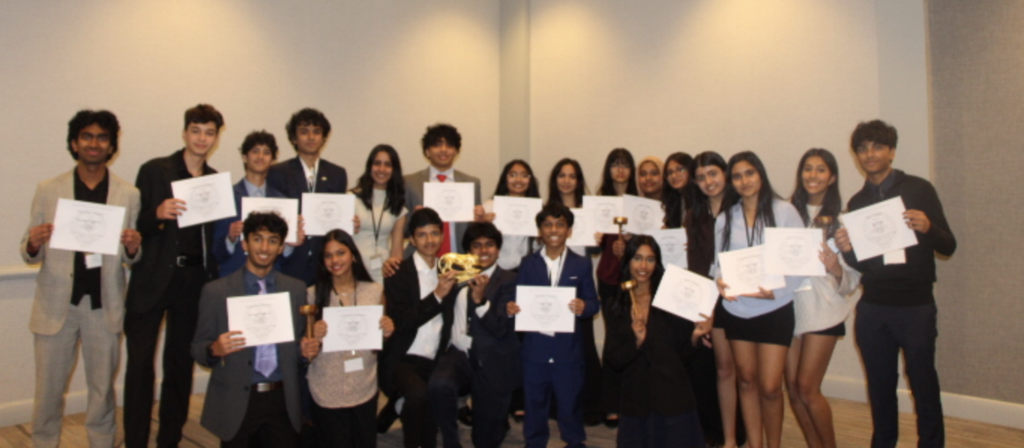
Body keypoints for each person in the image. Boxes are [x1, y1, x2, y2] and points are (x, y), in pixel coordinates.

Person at [21, 110, 142, 448]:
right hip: (56, 306)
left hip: (105, 307)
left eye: (102, 137)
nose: (94, 143)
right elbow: (28, 250)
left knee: (102, 393)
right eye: (86, 136)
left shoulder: (127, 194)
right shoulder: (49, 190)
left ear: (111, 145)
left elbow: (131, 258)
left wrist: (134, 248)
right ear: (74, 143)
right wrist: (33, 242)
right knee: (48, 393)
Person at [834, 120, 956, 448]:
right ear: (856, 154)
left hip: (916, 307)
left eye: (877, 146)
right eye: (862, 148)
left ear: (891, 151)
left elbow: (949, 246)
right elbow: (865, 266)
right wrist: (848, 252)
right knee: (880, 387)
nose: (869, 154)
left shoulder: (918, 189)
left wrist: (929, 227)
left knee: (923, 385)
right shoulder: (857, 204)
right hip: (873, 309)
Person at [124, 104, 223, 448]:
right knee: (139, 368)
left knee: (180, 367)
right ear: (184, 133)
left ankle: (169, 439)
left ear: (216, 138)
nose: (202, 138)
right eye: (196, 130)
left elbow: (215, 238)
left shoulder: (214, 181)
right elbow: (134, 228)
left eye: (209, 132)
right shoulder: (154, 170)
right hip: (152, 280)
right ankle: (136, 440)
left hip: (192, 282)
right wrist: (157, 213)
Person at [191, 212, 321, 447]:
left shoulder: (295, 290)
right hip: (238, 398)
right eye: (257, 238)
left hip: (281, 398)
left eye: (272, 241)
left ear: (281, 247)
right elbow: (198, 348)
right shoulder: (216, 291)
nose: (264, 247)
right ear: (244, 243)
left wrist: (307, 348)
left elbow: (300, 345)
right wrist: (214, 349)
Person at [714, 151, 804, 448]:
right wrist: (719, 281)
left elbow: (799, 262)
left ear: (761, 175)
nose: (744, 181)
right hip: (737, 308)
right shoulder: (726, 218)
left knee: (769, 387)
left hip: (775, 307)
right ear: (732, 183)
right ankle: (755, 444)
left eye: (749, 173)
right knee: (746, 381)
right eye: (737, 176)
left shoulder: (785, 212)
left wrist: (776, 292)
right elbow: (717, 264)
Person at [785, 148, 861, 448]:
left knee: (807, 387)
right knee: (792, 388)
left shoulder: (843, 222)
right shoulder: (786, 215)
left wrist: (835, 268)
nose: (812, 175)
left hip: (824, 312)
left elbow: (852, 280)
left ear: (832, 177)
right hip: (789, 309)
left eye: (820, 170)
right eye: (807, 168)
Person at [603, 236, 711, 448]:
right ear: (627, 262)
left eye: (650, 260)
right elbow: (614, 359)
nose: (643, 266)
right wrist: (637, 341)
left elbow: (683, 356)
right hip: (636, 401)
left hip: (672, 398)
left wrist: (695, 336)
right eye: (637, 258)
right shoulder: (615, 304)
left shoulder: (671, 300)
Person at [507, 203, 600, 448]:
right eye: (547, 224)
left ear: (569, 230)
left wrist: (584, 307)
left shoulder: (581, 264)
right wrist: (512, 308)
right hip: (535, 350)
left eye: (560, 224)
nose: (554, 229)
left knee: (570, 402)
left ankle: (574, 441)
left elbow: (593, 302)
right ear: (539, 230)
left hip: (567, 350)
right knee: (534, 402)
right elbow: (519, 300)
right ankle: (535, 442)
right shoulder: (527, 263)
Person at [428, 222, 521, 448]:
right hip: (460, 354)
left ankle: (497, 422)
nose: (483, 251)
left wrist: (481, 301)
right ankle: (451, 442)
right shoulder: (456, 276)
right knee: (439, 385)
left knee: (485, 440)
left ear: (498, 249)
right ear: (468, 251)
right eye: (476, 246)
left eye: (489, 245)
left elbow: (500, 328)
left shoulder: (509, 280)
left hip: (492, 358)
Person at [379, 208, 461, 448]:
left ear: (442, 236)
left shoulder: (449, 272)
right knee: (419, 396)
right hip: (402, 357)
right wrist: (437, 295)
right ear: (412, 239)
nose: (429, 240)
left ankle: (400, 409)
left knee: (430, 408)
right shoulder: (397, 272)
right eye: (422, 235)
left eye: (435, 233)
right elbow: (403, 322)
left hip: (435, 358)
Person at [306, 229, 395, 448]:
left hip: (364, 386)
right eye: (328, 255)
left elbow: (379, 343)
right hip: (326, 388)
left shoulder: (374, 291)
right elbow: (306, 351)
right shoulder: (312, 294)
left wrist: (387, 331)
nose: (335, 260)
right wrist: (313, 337)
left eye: (340, 253)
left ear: (353, 255)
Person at [685, 151, 746, 448]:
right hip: (710, 299)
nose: (707, 182)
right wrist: (704, 310)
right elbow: (696, 266)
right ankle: (719, 433)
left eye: (712, 174)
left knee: (744, 371)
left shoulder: (744, 209)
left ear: (725, 174)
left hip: (743, 297)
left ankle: (744, 432)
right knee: (717, 369)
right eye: (700, 177)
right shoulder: (694, 216)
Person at [268, 108, 349, 285]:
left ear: (324, 138)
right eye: (304, 132)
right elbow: (273, 220)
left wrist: (349, 221)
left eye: (316, 132)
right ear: (294, 138)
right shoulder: (278, 172)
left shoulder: (337, 174)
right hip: (289, 260)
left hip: (327, 262)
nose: (311, 137)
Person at [213, 130, 305, 277]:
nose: (261, 157)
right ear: (244, 157)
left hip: (271, 280)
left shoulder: (283, 202)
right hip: (233, 277)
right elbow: (216, 252)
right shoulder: (226, 197)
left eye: (266, 152)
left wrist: (290, 242)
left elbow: (285, 258)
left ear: (273, 159)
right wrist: (230, 238)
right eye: (255, 151)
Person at [594, 148, 638, 428]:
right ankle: (611, 404)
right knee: (613, 339)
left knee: (634, 338)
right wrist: (597, 238)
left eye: (625, 165)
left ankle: (632, 402)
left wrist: (631, 242)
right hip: (609, 276)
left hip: (636, 278)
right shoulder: (599, 202)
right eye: (615, 165)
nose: (620, 170)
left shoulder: (640, 202)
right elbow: (591, 242)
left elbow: (650, 242)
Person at [403, 123, 482, 255]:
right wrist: (414, 218)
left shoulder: (471, 183)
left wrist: (480, 221)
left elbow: (475, 234)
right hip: (419, 260)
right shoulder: (409, 183)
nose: (443, 150)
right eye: (437, 145)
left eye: (450, 145)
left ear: (457, 151)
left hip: (460, 259)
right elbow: (402, 232)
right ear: (427, 151)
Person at [350, 144, 408, 283]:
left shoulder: (398, 205)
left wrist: (395, 272)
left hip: (383, 272)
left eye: (388, 165)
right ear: (370, 166)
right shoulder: (351, 198)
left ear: (394, 170)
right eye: (377, 163)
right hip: (353, 270)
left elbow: (396, 252)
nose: (382, 169)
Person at [482, 159, 541, 271]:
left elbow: (540, 248)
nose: (518, 180)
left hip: (526, 270)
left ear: (530, 180)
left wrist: (541, 237)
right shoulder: (490, 206)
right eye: (513, 175)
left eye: (524, 175)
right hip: (494, 270)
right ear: (505, 179)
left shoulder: (538, 210)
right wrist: (482, 224)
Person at [662, 152, 694, 229]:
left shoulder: (700, 198)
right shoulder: (675, 199)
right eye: (670, 172)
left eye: (680, 169)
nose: (674, 175)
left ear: (690, 170)